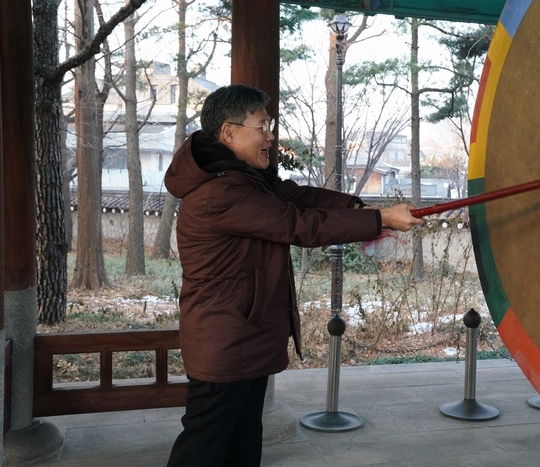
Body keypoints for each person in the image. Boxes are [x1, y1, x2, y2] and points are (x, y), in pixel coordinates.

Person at [164, 84, 423, 466]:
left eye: (269, 124)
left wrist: (357, 206)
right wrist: (378, 220)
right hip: (224, 341)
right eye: (261, 126)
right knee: (202, 448)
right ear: (229, 134)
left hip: (242, 336)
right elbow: (299, 225)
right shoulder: (220, 193)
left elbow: (299, 197)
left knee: (242, 443)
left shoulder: (247, 179)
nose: (270, 135)